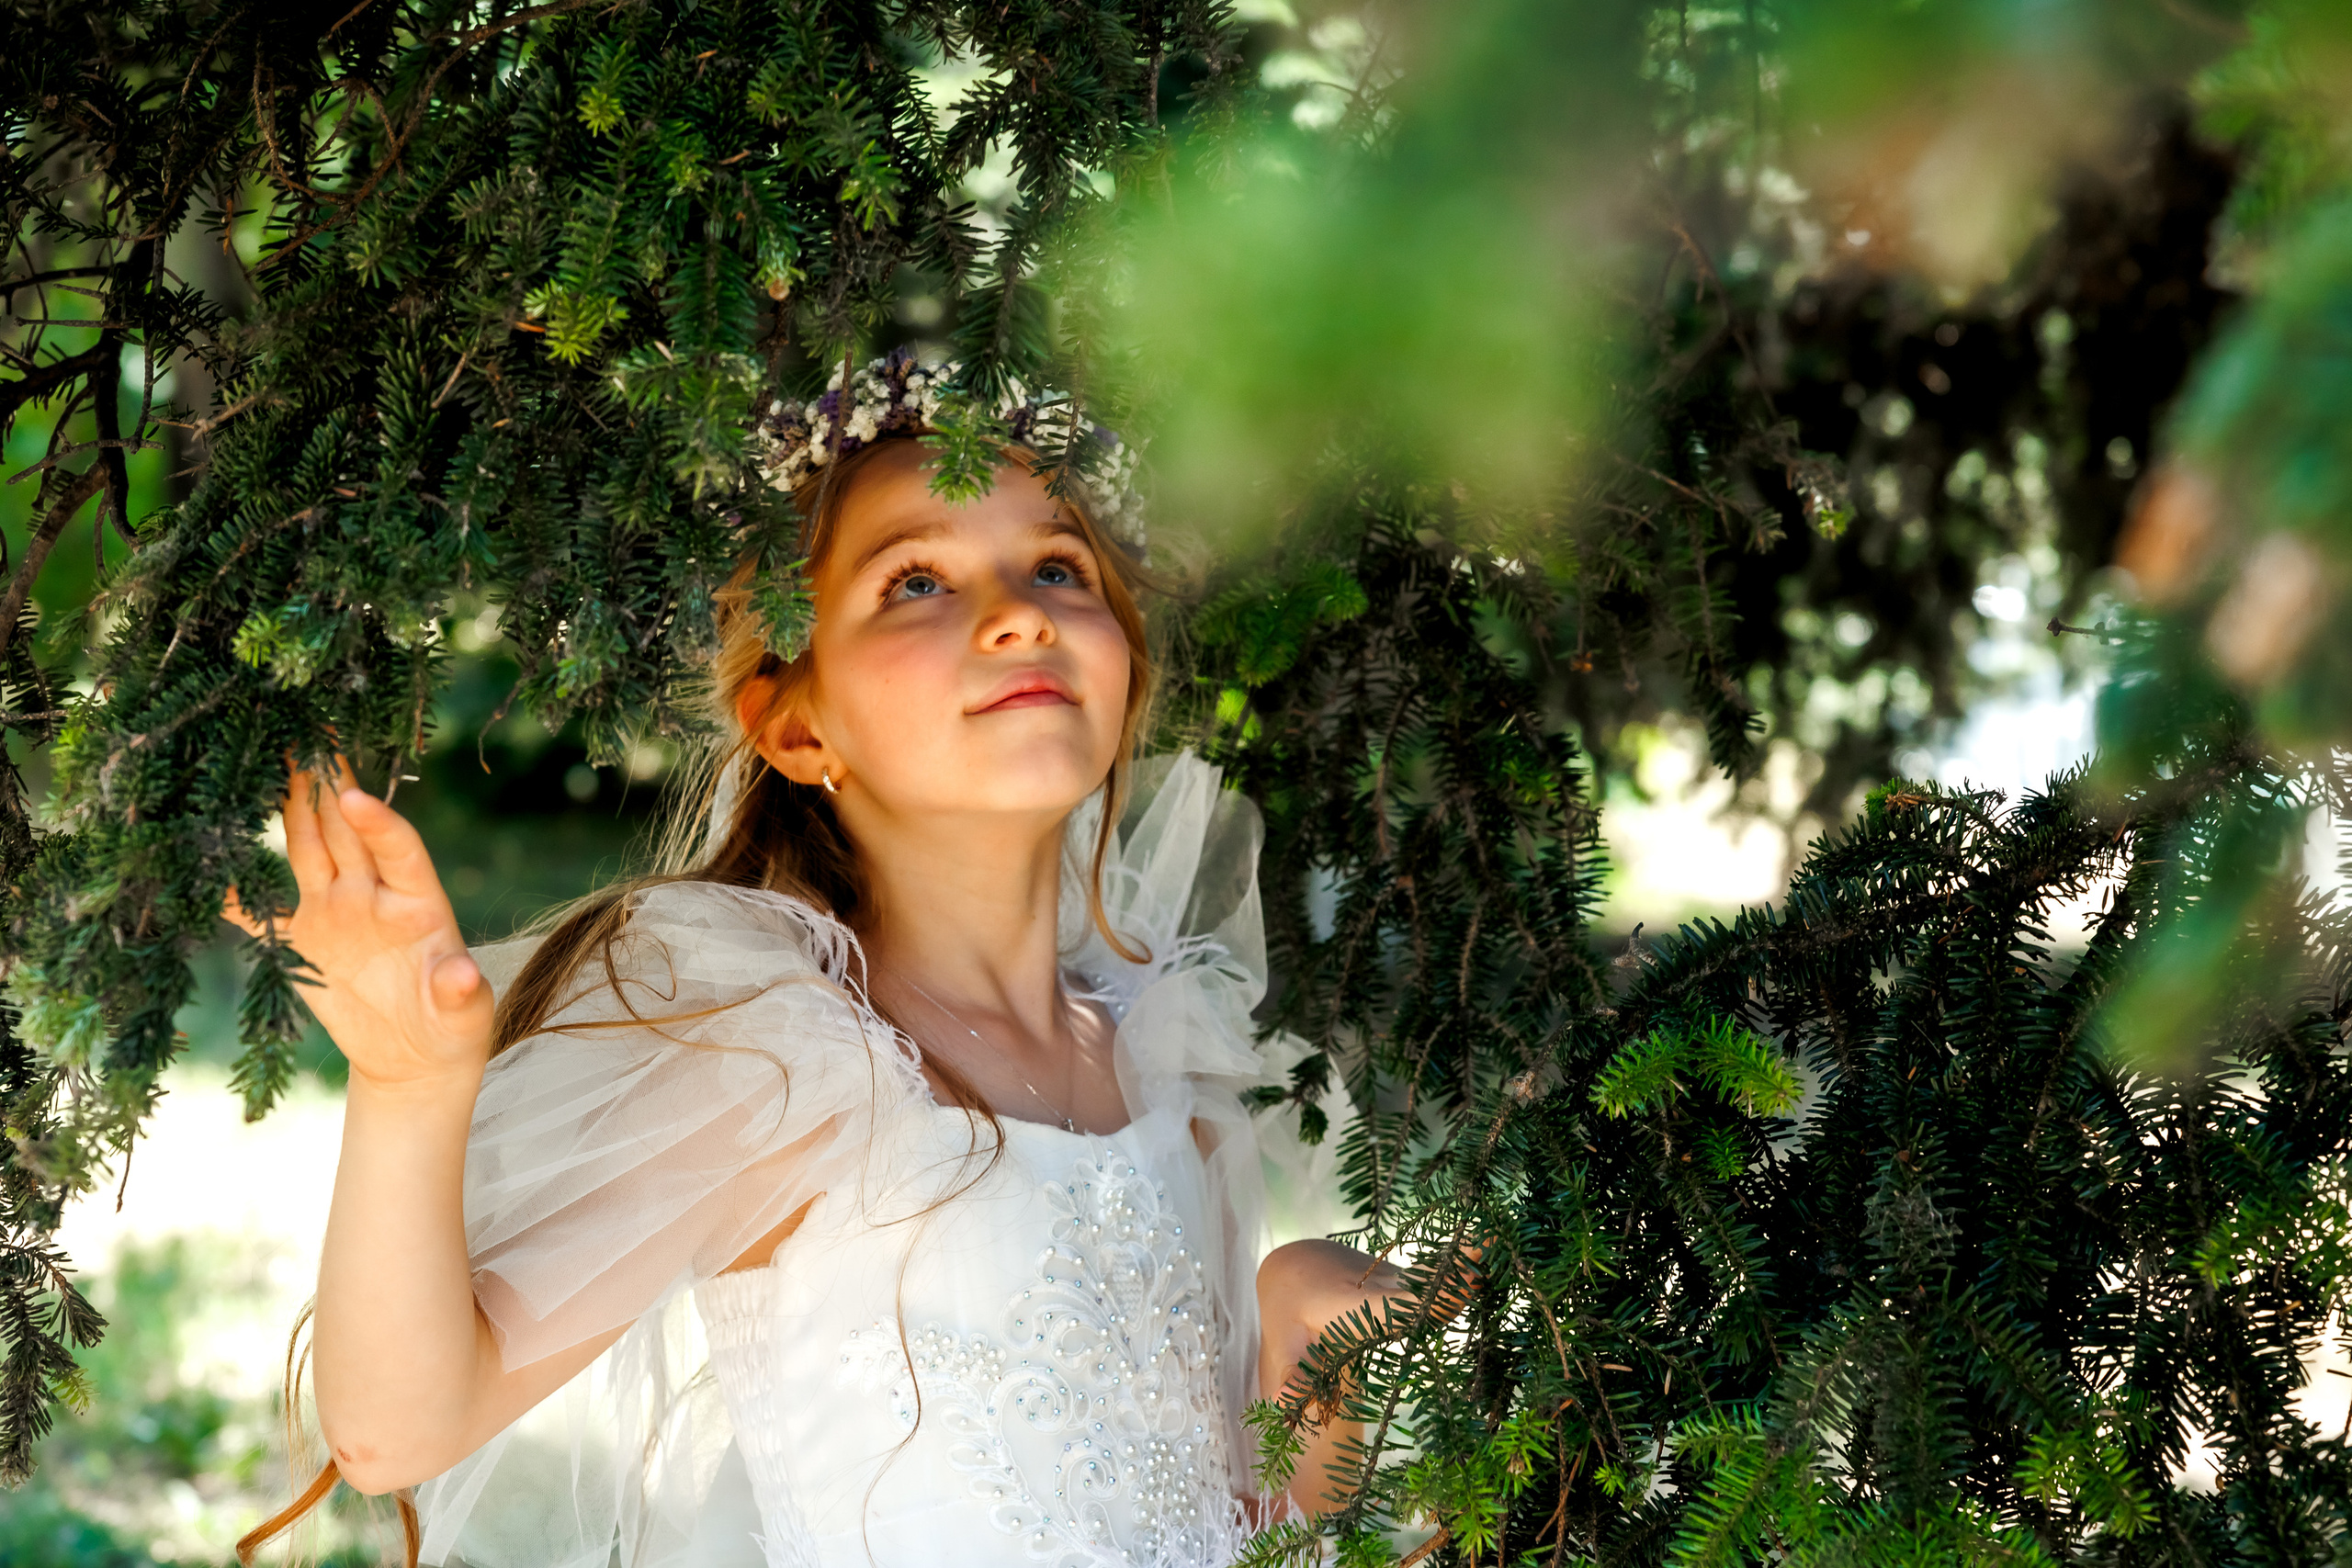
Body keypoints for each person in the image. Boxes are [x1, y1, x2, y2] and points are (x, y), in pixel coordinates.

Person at [224, 354, 1411, 1568]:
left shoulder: (1164, 1064)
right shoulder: (781, 1068)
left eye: (1059, 567)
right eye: (915, 582)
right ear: (796, 726)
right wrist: (410, 1084)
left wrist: (1313, 1349)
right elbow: (393, 1433)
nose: (1020, 612)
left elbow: (1230, 1526)